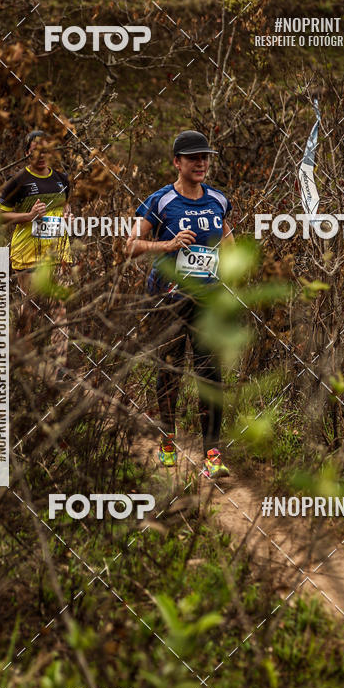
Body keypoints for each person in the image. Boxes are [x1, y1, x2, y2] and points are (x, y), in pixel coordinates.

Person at [125, 130, 235, 479]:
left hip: (207, 302)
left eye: (205, 157)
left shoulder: (217, 200)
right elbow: (129, 245)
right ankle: (168, 441)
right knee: (170, 373)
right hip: (167, 300)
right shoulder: (160, 201)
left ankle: (212, 455)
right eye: (193, 158)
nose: (201, 163)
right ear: (177, 162)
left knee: (211, 376)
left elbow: (230, 243)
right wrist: (167, 246)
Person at [0, 130, 72, 380]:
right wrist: (28, 216)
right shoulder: (17, 181)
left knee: (59, 309)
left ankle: (59, 365)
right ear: (27, 153)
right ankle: (15, 355)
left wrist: (68, 216)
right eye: (35, 150)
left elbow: (65, 205)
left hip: (58, 253)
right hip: (27, 254)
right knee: (30, 307)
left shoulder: (62, 179)